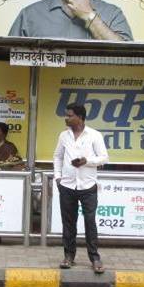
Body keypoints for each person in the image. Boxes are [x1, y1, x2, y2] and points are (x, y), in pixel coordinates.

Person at [53, 102, 109, 273]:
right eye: (67, 115)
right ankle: (69, 256)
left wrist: (87, 161)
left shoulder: (94, 135)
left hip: (88, 185)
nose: (67, 118)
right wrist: (58, 177)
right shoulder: (64, 136)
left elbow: (104, 158)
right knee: (68, 223)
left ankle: (94, 258)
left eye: (70, 115)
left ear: (80, 117)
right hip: (67, 185)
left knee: (90, 222)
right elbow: (58, 157)